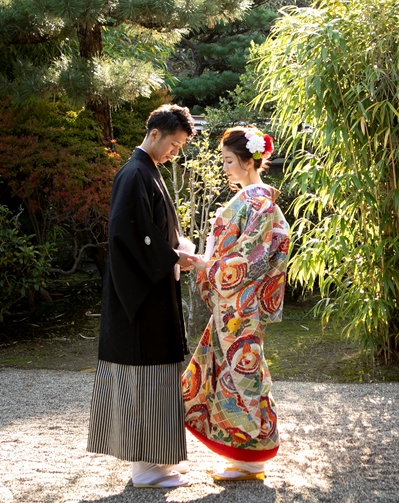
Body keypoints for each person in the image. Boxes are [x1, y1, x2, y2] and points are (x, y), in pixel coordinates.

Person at [86, 104, 200, 489]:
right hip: (139, 299)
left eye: (180, 146)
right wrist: (172, 257)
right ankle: (146, 468)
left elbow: (154, 229)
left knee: (156, 375)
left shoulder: (146, 171)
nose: (175, 152)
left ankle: (158, 461)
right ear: (155, 134)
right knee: (144, 379)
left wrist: (175, 250)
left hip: (152, 293)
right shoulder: (135, 173)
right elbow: (129, 236)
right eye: (174, 143)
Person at [182, 126, 290, 481]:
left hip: (239, 302)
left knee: (239, 375)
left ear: (247, 161)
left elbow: (252, 258)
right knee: (234, 372)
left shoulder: (255, 201)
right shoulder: (256, 200)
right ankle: (245, 454)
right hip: (237, 303)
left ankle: (251, 457)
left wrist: (207, 266)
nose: (225, 167)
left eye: (229, 161)